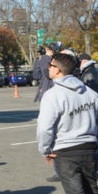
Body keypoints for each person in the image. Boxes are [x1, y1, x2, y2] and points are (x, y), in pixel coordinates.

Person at [37, 51, 98, 194]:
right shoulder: (90, 92)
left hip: (65, 152)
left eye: (50, 65)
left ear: (57, 70)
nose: (48, 68)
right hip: (89, 148)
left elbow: (44, 128)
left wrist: (44, 149)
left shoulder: (52, 95)